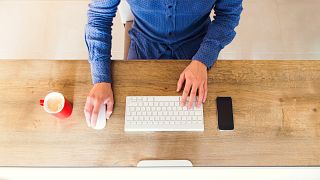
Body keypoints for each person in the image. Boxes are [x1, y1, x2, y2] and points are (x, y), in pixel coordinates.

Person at [84, 0, 243, 128]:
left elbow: (228, 14)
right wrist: (101, 79)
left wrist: (203, 59)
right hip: (144, 45)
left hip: (198, 49)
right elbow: (99, 16)